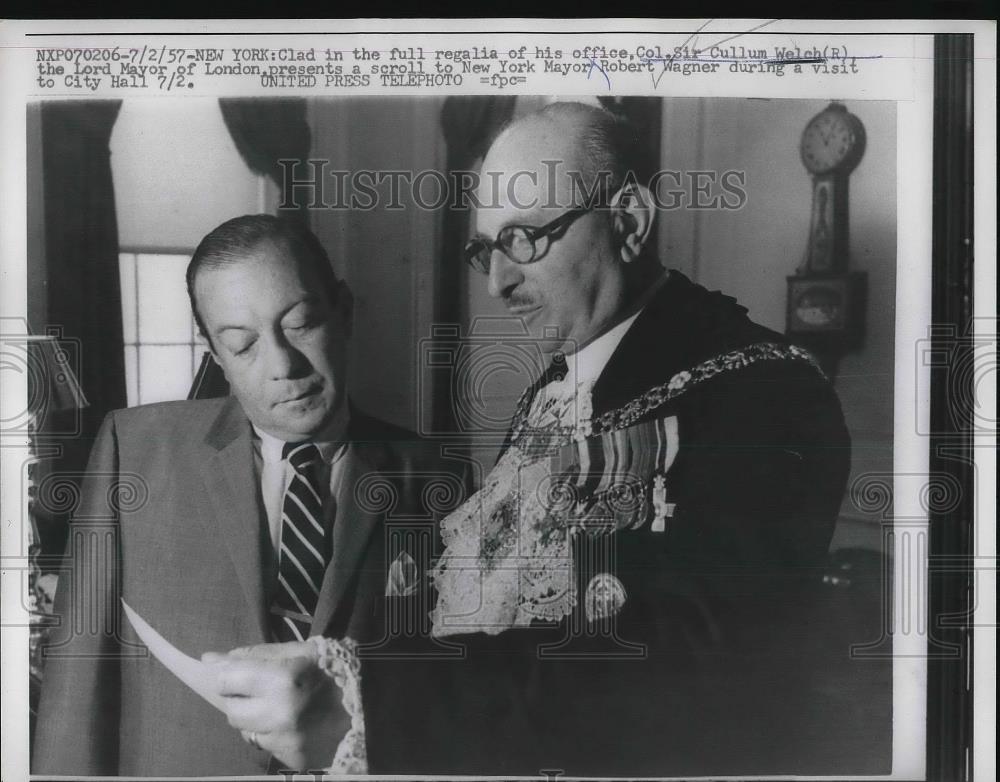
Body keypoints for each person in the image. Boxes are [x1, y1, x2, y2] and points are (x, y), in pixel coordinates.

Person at [357, 101, 853, 775]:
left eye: (525, 238)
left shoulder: (765, 391)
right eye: (487, 248)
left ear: (628, 222)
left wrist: (386, 699)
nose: (498, 281)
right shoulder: (557, 384)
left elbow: (685, 662)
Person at [32, 215, 456, 776]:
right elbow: (73, 696)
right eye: (243, 344)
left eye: (301, 324)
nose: (284, 366)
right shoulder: (132, 452)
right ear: (214, 353)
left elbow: (448, 696)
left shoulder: (434, 478)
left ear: (344, 312)